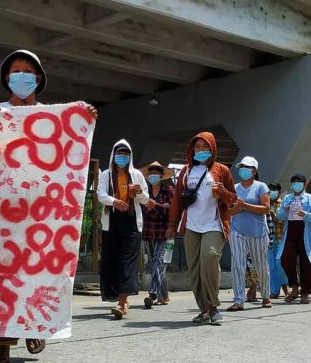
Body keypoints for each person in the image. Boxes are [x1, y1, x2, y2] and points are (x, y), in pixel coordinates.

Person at [0, 49, 98, 363]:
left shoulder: (51, 118)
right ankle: (1, 349)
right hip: (1, 212)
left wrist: (83, 117)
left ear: (38, 79)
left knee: (35, 271)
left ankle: (35, 326)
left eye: (28, 71)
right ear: (7, 78)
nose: (22, 76)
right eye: (16, 70)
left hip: (38, 212)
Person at [167, 132, 236, 325]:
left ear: (213, 149)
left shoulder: (221, 170)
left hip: (214, 224)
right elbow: (177, 201)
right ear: (192, 150)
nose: (201, 151)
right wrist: (172, 225)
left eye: (205, 147)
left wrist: (222, 192)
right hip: (191, 226)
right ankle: (203, 309)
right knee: (195, 269)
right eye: (197, 147)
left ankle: (214, 307)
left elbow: (233, 198)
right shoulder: (186, 171)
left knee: (209, 257)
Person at [98, 140, 149, 319]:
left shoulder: (137, 175)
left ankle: (122, 302)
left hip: (131, 222)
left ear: (130, 156)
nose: (123, 157)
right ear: (114, 155)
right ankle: (120, 297)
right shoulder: (106, 174)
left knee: (127, 261)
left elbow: (146, 199)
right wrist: (113, 201)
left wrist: (138, 193)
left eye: (126, 154)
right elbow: (100, 194)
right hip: (111, 221)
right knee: (111, 259)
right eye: (120, 153)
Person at [227, 156, 271, 310]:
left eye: (247, 167)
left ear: (254, 170)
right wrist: (237, 209)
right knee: (237, 264)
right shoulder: (234, 187)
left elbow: (266, 208)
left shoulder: (261, 187)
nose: (243, 170)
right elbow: (228, 211)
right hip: (237, 230)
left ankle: (265, 295)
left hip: (257, 232)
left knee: (260, 265)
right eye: (241, 167)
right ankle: (238, 299)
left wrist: (245, 206)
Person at [277, 174, 311, 305]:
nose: (296, 184)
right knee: (286, 259)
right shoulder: (287, 198)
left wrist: (306, 215)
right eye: (294, 182)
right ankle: (294, 286)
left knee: (307, 262)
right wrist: (285, 210)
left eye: (299, 182)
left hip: (305, 230)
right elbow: (279, 215)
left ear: (305, 184)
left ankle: (305, 293)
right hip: (290, 230)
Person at [141, 161, 175, 307]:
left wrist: (157, 206)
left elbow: (172, 209)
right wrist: (148, 209)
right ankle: (164, 295)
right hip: (149, 232)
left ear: (161, 176)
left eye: (156, 173)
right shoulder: (144, 192)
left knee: (158, 260)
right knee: (155, 263)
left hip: (165, 231)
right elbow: (140, 211)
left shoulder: (168, 190)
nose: (153, 175)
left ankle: (153, 293)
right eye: (151, 173)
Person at [267, 183, 289, 299]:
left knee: (279, 264)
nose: (272, 192)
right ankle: (274, 291)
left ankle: (286, 288)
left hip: (281, 238)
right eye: (270, 189)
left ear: (279, 191)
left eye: (274, 190)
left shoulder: (282, 203)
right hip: (269, 239)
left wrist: (274, 216)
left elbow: (285, 220)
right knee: (271, 266)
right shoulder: (264, 202)